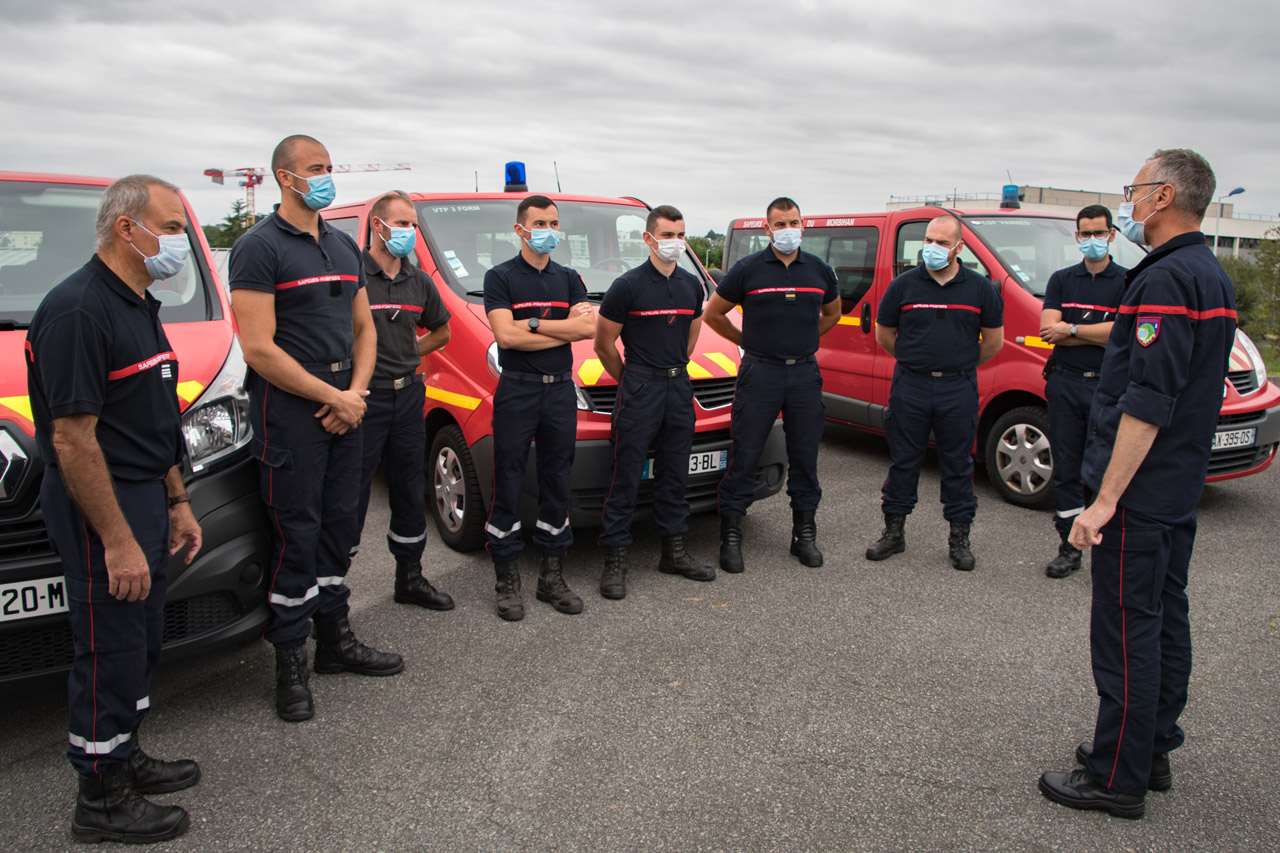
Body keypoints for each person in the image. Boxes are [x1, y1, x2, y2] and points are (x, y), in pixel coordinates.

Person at [1039, 149, 1238, 820]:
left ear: (1162, 197)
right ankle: (1150, 748)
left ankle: (1115, 774)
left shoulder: (1163, 280)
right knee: (1162, 619)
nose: (1128, 202)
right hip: (1176, 486)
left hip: (1142, 492)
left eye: (1135, 189)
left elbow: (1149, 400)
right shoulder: (1208, 273)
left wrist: (1103, 500)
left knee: (1126, 629)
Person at [26, 175, 202, 842]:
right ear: (128, 229)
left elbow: (146, 418)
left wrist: (177, 497)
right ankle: (98, 798)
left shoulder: (137, 303)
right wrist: (117, 540)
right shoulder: (78, 309)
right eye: (173, 225)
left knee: (141, 640)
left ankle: (125, 752)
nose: (181, 240)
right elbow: (74, 438)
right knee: (108, 646)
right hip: (102, 502)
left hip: (145, 494)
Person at [230, 135, 402, 724]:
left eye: (329, 167)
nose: (326, 177)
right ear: (284, 176)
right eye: (315, 168)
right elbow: (258, 348)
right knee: (296, 534)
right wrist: (335, 397)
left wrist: (353, 394)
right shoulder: (258, 248)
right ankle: (289, 660)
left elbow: (365, 330)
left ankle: (334, 641)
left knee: (338, 529)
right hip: (293, 411)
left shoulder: (339, 244)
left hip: (344, 403)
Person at [703, 197, 841, 572]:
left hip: (803, 374)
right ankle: (731, 536)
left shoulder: (819, 270)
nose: (786, 230)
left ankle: (804, 535)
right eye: (779, 225)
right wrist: (745, 340)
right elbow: (712, 314)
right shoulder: (748, 269)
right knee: (746, 454)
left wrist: (807, 338)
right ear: (767, 229)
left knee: (805, 456)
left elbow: (833, 312)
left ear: (803, 225)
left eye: (792, 223)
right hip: (759, 372)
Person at [865, 215, 1003, 570]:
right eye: (928, 240)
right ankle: (893, 533)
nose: (933, 248)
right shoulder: (903, 286)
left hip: (957, 388)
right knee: (904, 461)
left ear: (959, 247)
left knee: (958, 464)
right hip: (911, 385)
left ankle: (959, 540)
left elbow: (993, 343)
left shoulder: (979, 288)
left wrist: (959, 363)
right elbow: (884, 335)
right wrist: (915, 360)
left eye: (942, 243)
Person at [482, 194, 595, 620]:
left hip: (560, 392)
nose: (549, 230)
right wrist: (560, 330)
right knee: (508, 478)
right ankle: (506, 578)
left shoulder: (570, 278)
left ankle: (551, 576)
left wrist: (531, 323)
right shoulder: (500, 277)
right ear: (520, 229)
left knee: (557, 479)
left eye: (553, 222)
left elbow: (587, 328)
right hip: (517, 390)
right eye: (540, 223)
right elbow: (505, 338)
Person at [594, 205, 715, 599]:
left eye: (680, 235)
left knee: (674, 474)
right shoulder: (627, 286)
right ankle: (615, 560)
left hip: (679, 387)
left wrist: (672, 369)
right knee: (626, 476)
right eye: (667, 235)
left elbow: (691, 336)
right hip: (640, 387)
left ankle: (674, 552)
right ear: (648, 238)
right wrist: (633, 379)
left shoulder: (691, 286)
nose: (675, 243)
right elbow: (603, 344)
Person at [351, 191, 454, 611]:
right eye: (402, 224)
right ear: (378, 226)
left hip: (408, 396)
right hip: (366, 397)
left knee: (410, 488)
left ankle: (409, 577)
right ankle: (333, 591)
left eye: (412, 224)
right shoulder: (353, 274)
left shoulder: (419, 280)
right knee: (351, 492)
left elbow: (442, 331)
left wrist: (412, 355)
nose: (409, 232)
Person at [1038, 205, 1126, 578]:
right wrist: (1096, 332)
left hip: (1107, 386)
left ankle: (1109, 551)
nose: (1092, 240)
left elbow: (1120, 335)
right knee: (1068, 469)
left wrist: (1071, 331)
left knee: (1107, 469)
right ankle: (1069, 548)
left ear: (1112, 235)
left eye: (1099, 233)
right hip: (1065, 383)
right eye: (1085, 234)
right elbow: (1047, 329)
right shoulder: (1061, 279)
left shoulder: (1128, 281)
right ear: (1076, 237)